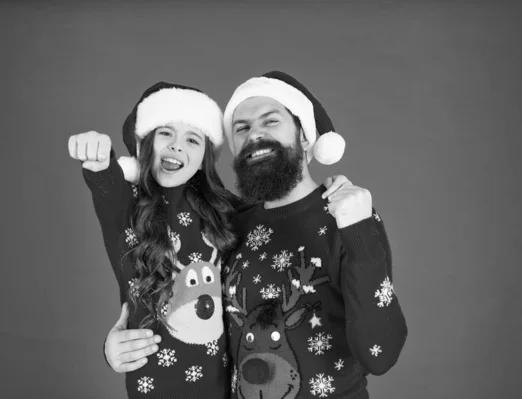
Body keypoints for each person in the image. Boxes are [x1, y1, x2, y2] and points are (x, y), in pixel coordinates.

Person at [220, 71, 408, 398]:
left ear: (305, 137)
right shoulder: (232, 226)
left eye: (270, 121)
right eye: (242, 128)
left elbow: (381, 353)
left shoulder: (348, 218)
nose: (254, 135)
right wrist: (114, 347)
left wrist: (360, 232)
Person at [69, 81, 237, 398]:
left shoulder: (224, 210)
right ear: (145, 142)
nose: (176, 146)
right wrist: (97, 156)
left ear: (204, 158)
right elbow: (104, 181)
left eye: (192, 139)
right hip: (153, 388)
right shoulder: (127, 203)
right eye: (165, 133)